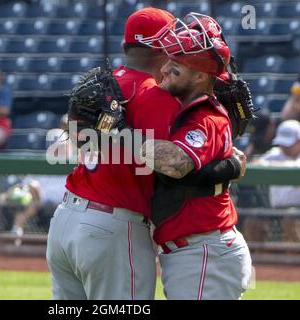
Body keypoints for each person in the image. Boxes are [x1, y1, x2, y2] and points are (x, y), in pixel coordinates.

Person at [46, 8, 246, 300]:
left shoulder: (107, 86)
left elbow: (82, 140)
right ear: (162, 48)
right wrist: (230, 165)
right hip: (112, 226)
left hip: (65, 222)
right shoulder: (157, 96)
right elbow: (177, 163)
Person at [139, 13, 252, 300]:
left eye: (175, 66)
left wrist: (118, 133)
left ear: (201, 76)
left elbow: (176, 163)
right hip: (199, 251)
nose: (164, 69)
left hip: (203, 251)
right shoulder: (191, 110)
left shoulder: (204, 117)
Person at [256, 120, 300, 242]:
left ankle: (294, 258)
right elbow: (257, 164)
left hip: (297, 210)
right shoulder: (275, 153)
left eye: (288, 144)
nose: (284, 146)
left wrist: (274, 165)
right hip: (274, 210)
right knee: (252, 222)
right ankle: (261, 259)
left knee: (290, 218)